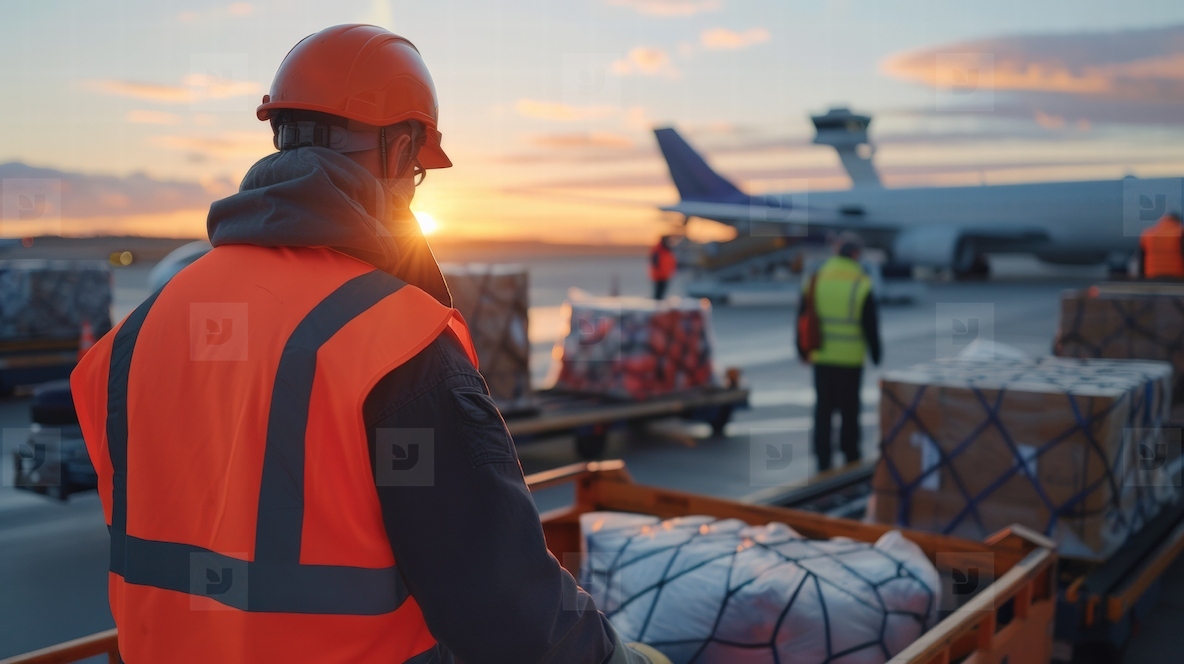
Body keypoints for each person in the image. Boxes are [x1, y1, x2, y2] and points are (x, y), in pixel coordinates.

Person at [70, 25, 665, 664]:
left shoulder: (133, 338)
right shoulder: (395, 345)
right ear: (402, 147)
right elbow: (507, 610)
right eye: (415, 172)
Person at [797, 233, 882, 473]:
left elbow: (803, 317)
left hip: (821, 357)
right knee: (849, 411)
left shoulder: (816, 278)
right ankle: (850, 456)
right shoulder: (861, 281)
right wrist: (876, 354)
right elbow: (870, 324)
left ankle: (822, 459)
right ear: (855, 254)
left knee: (823, 411)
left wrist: (802, 349)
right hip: (850, 359)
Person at [1138, 211, 1184, 280]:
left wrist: (1142, 278)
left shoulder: (1147, 234)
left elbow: (1141, 260)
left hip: (1153, 276)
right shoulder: (1181, 232)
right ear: (1178, 222)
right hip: (1177, 276)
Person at [649, 235, 677, 299]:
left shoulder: (667, 250)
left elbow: (671, 262)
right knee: (658, 293)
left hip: (665, 275)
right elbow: (655, 261)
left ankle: (658, 304)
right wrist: (659, 270)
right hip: (659, 275)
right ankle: (656, 306)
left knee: (661, 293)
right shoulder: (658, 249)